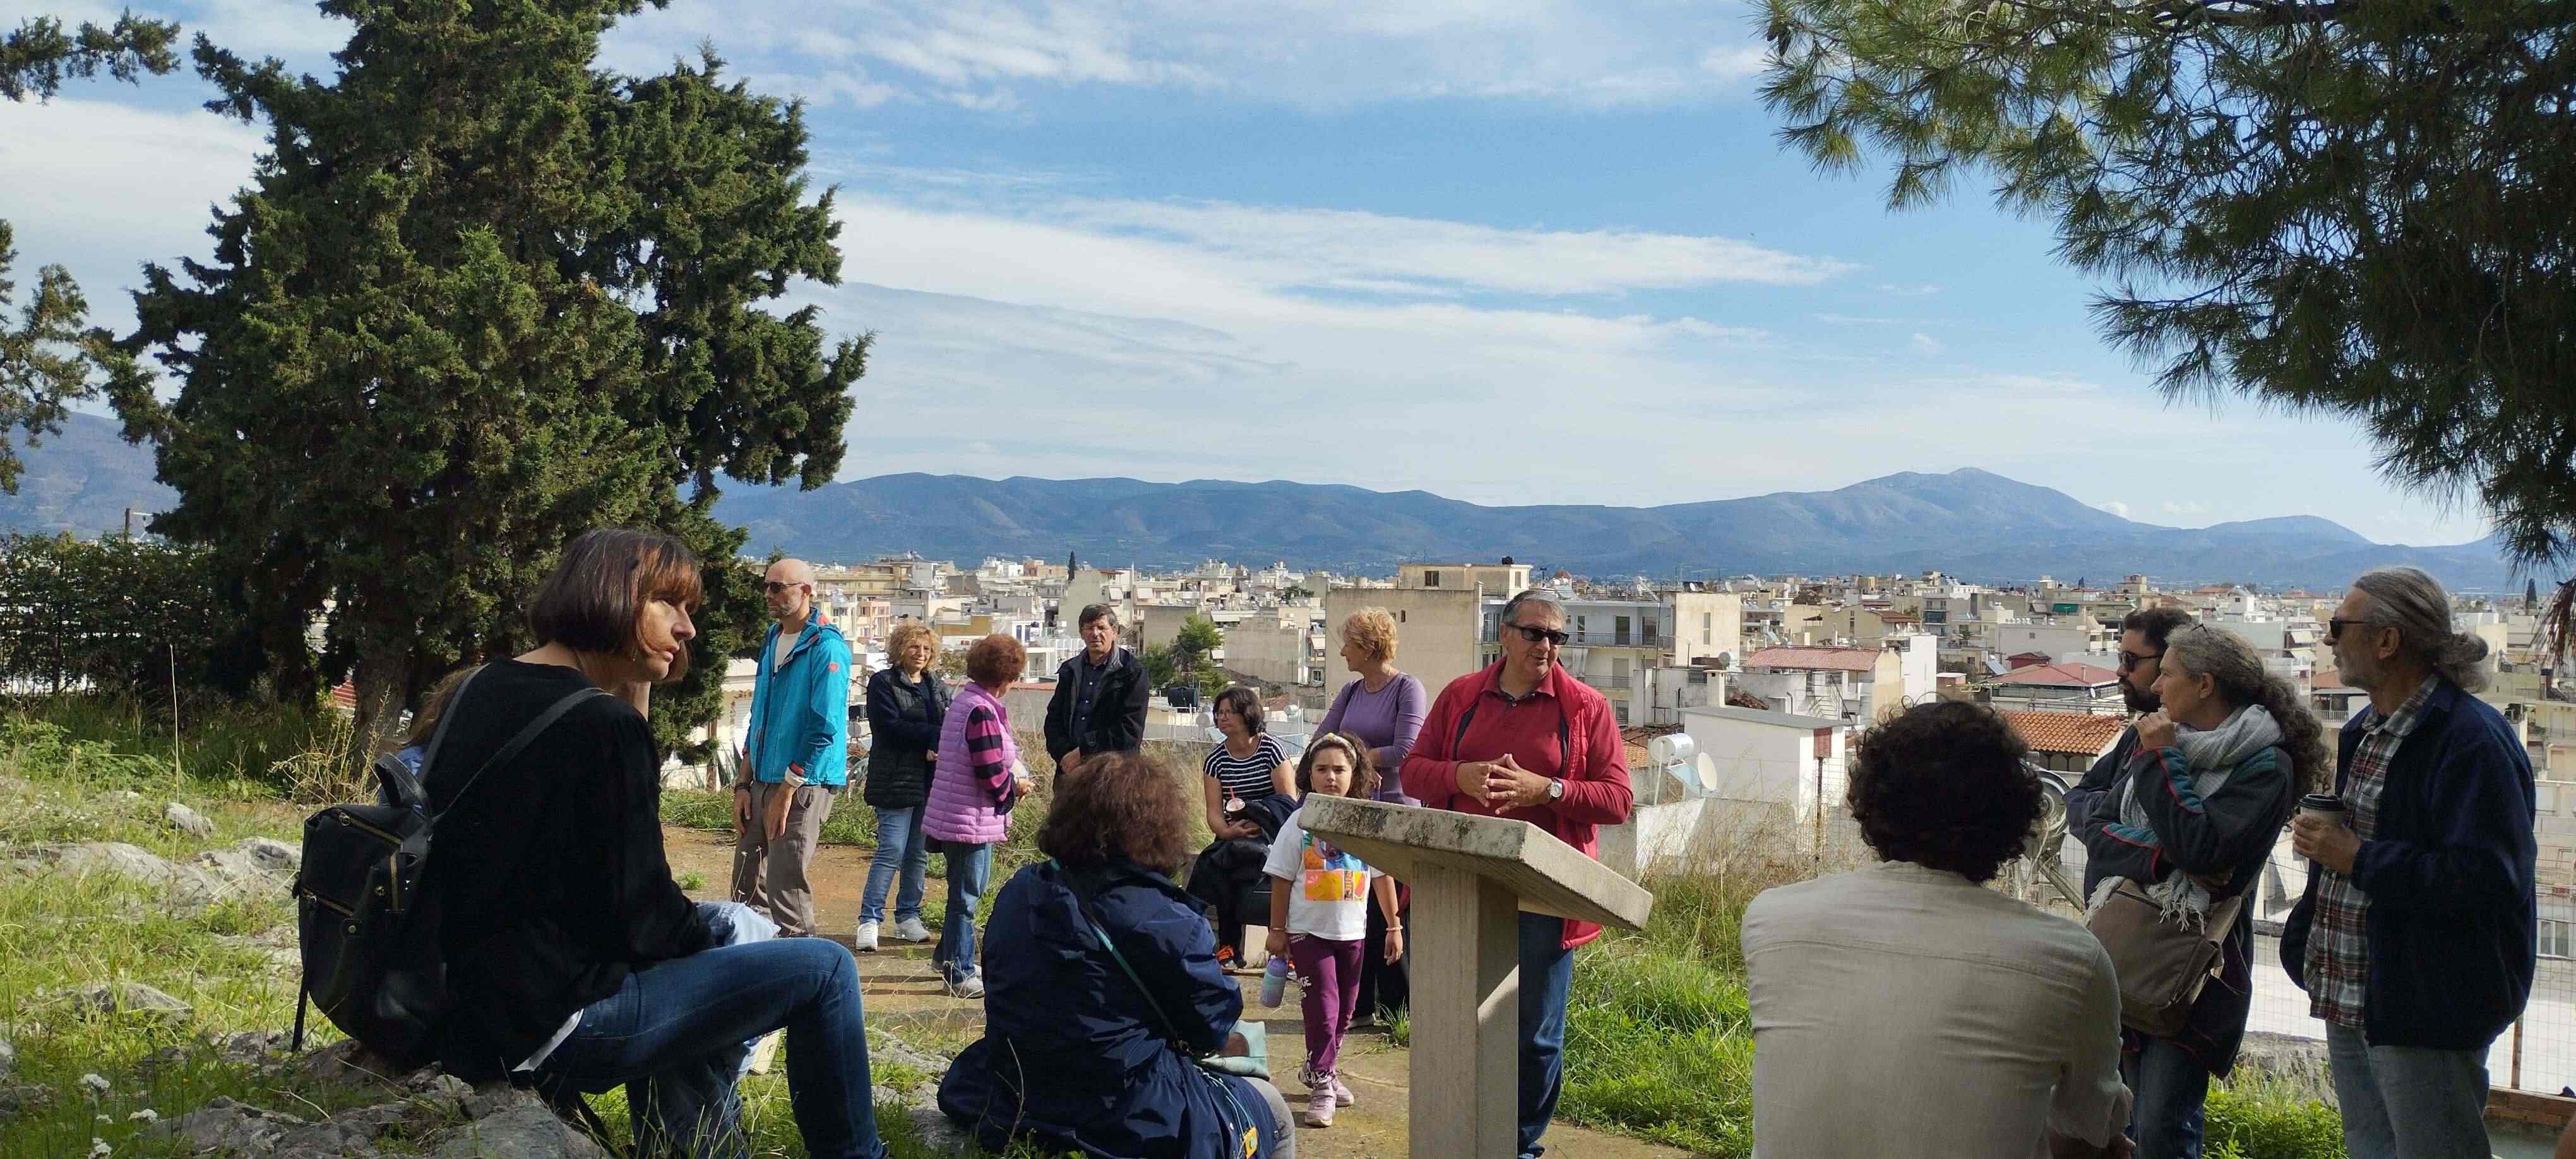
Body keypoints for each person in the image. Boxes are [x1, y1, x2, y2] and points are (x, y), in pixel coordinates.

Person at [432, 528, 884, 1158]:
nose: (688, 628)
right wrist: (718, 944)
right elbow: (643, 918)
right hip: (557, 1021)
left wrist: (634, 691)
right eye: (669, 604)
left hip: (466, 1003)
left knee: (708, 949)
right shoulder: (602, 726)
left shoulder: (478, 688)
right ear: (613, 596)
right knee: (824, 968)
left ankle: (697, 1148)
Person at [1744, 699, 2132, 1159]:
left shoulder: (1773, 918)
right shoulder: (2071, 960)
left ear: (1869, 802)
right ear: (2015, 817)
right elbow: (2090, 1127)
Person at [2284, 566, 2536, 1159]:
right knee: (2370, 1149)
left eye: (2339, 625)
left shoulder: (2473, 742)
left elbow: (2490, 880)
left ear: (2387, 640)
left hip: (2428, 1004)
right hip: (2352, 994)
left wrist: (2358, 858)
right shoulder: (2363, 731)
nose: (2327, 639)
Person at [938, 751, 1296, 1158]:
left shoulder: (1021, 890)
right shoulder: (1166, 918)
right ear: (1158, 828)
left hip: (1016, 1093)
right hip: (1126, 1112)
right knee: (1273, 1110)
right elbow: (1210, 1027)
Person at [1399, 588, 1632, 1159]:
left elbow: (1618, 799)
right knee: (1459, 1026)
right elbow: (1413, 773)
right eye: (1535, 633)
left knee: (1534, 1037)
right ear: (1504, 636)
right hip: (1463, 887)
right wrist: (1461, 777)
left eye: (1558, 636)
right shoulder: (1461, 697)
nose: (1548, 646)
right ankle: (1458, 1133)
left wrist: (1547, 790)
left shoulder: (1584, 709)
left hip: (1545, 900)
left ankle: (1519, 1146)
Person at [2075, 624, 2322, 1158]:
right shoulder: (2153, 740)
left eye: (2167, 674)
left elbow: (2208, 851)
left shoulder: (2263, 766)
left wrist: (2161, 764)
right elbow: (2097, 828)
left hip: (2194, 972)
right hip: (2126, 950)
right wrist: (2165, 855)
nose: (2156, 686)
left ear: (2205, 685)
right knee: (2117, 1114)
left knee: (2162, 1123)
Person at [1261, 733, 1403, 1128]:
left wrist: (1394, 926)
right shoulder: (1300, 820)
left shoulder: (1365, 822)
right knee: (1322, 1009)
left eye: (1339, 769)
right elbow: (1281, 878)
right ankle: (1323, 1084)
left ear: (1355, 773)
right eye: (1321, 769)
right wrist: (1277, 930)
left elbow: (1382, 875)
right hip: (1308, 934)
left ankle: (1318, 1068)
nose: (1330, 777)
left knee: (1344, 1012)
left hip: (1353, 933)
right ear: (1309, 774)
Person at [729, 557, 854, 939]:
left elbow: (825, 725)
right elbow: (759, 714)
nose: (769, 594)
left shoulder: (826, 648)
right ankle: (754, 967)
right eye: (767, 586)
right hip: (761, 778)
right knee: (745, 885)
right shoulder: (772, 638)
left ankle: (805, 969)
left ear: (806, 591)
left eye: (778, 587)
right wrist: (742, 783)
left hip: (803, 783)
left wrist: (788, 788)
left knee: (786, 887)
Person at [1313, 606, 1426, 1025]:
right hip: (1357, 813)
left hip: (1396, 813)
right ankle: (1361, 1005)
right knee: (1358, 906)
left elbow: (1407, 750)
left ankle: (1397, 1008)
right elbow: (1322, 740)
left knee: (1392, 912)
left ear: (1365, 646)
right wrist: (1350, 763)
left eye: (1346, 643)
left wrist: (1351, 760)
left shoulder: (1407, 689)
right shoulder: (1351, 691)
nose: (1342, 652)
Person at [922, 633, 1037, 999]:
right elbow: (988, 769)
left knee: (962, 891)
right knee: (967, 896)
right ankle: (959, 970)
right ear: (1006, 677)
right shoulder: (982, 711)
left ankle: (947, 956)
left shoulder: (965, 702)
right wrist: (1013, 790)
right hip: (970, 816)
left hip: (957, 811)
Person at [2063, 605, 2197, 839]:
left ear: (2169, 661)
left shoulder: (2201, 745)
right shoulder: (2138, 733)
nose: (2120, 670)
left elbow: (2183, 841)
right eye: (2120, 658)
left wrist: (2102, 810)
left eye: (2130, 660)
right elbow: (2076, 797)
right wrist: (2107, 808)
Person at [856, 621, 949, 953]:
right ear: (899, 649)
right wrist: (929, 737)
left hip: (928, 779)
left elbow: (947, 722)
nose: (921, 654)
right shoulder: (883, 683)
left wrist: (934, 740)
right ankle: (870, 919)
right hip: (895, 778)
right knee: (891, 850)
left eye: (926, 648)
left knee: (918, 853)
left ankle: (908, 916)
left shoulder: (935, 684)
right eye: (914, 647)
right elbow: (888, 727)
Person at [1190, 686, 1298, 965]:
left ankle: (1285, 945)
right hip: (1234, 835)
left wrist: (1259, 817)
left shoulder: (1271, 749)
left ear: (1247, 714)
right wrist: (1227, 832)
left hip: (1271, 831)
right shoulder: (1216, 760)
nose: (1223, 718)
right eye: (1219, 713)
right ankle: (1228, 946)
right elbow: (1213, 811)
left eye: (1230, 712)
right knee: (1219, 865)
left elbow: (1288, 801)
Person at [1044, 603, 1150, 780]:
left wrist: (1084, 752)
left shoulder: (1131, 672)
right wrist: (1066, 758)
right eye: (1089, 628)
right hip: (1070, 774)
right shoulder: (1070, 670)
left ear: (1114, 632)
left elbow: (1129, 730)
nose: (1095, 634)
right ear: (1081, 633)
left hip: (1113, 775)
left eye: (1102, 628)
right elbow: (1053, 721)